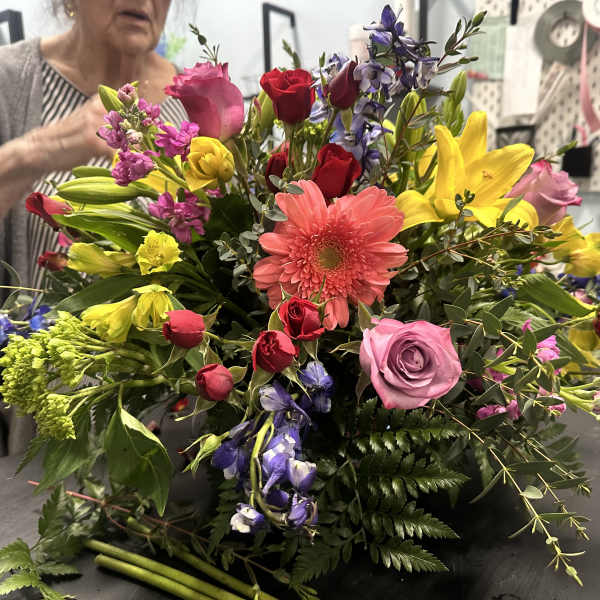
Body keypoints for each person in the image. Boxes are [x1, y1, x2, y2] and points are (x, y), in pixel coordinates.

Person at [0, 0, 188, 455]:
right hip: (48, 426)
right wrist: (43, 148)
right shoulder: (11, 79)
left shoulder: (189, 101)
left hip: (167, 426)